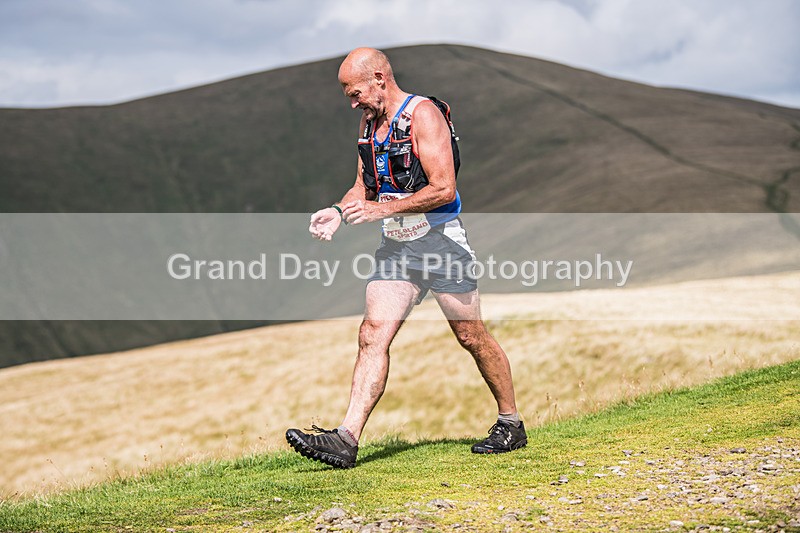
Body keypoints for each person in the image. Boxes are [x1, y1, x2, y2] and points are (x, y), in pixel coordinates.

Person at [285, 48, 526, 468]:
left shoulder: (424, 115)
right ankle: (346, 439)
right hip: (397, 248)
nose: (353, 102)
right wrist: (339, 212)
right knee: (372, 333)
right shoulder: (369, 125)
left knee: (470, 336)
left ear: (379, 78)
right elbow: (364, 186)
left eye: (355, 92)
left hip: (441, 244)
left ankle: (511, 423)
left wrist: (381, 210)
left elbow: (444, 188)